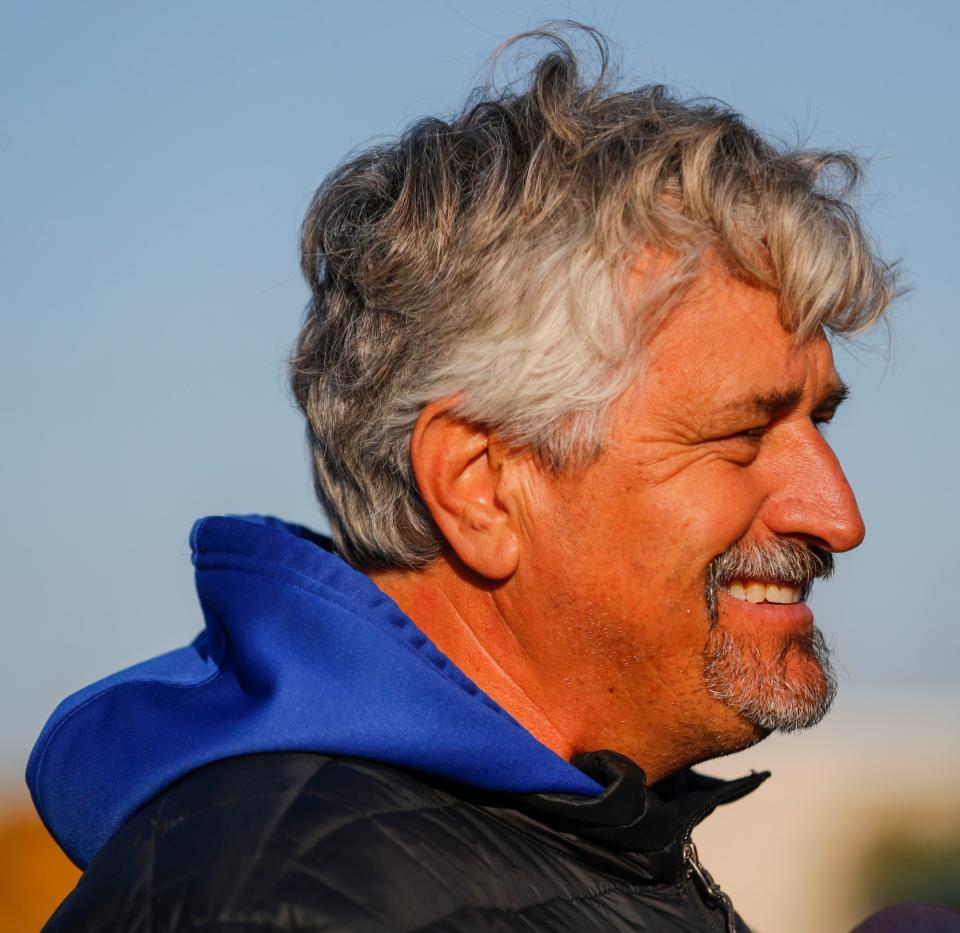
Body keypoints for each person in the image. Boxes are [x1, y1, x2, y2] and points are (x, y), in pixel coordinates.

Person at [29, 25, 905, 933]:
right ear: (482, 486)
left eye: (819, 418)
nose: (838, 516)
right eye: (743, 430)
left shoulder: (553, 838)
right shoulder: (289, 905)